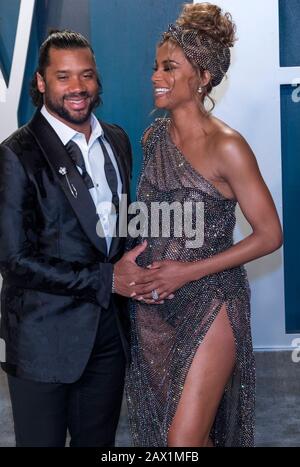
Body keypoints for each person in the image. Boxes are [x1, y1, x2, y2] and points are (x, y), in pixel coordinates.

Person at [125, 3, 283, 447]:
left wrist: (187, 270)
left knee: (182, 443)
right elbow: (154, 220)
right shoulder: (153, 138)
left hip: (212, 301)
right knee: (174, 435)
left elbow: (271, 234)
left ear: (204, 76)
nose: (156, 76)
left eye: (170, 67)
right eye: (156, 66)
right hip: (155, 305)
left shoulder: (227, 146)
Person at [0, 29, 148, 447]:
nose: (78, 87)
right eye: (63, 77)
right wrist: (107, 279)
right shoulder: (16, 154)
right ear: (42, 83)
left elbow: (115, 230)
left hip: (107, 335)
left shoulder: (117, 140)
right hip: (43, 342)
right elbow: (13, 258)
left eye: (86, 75)